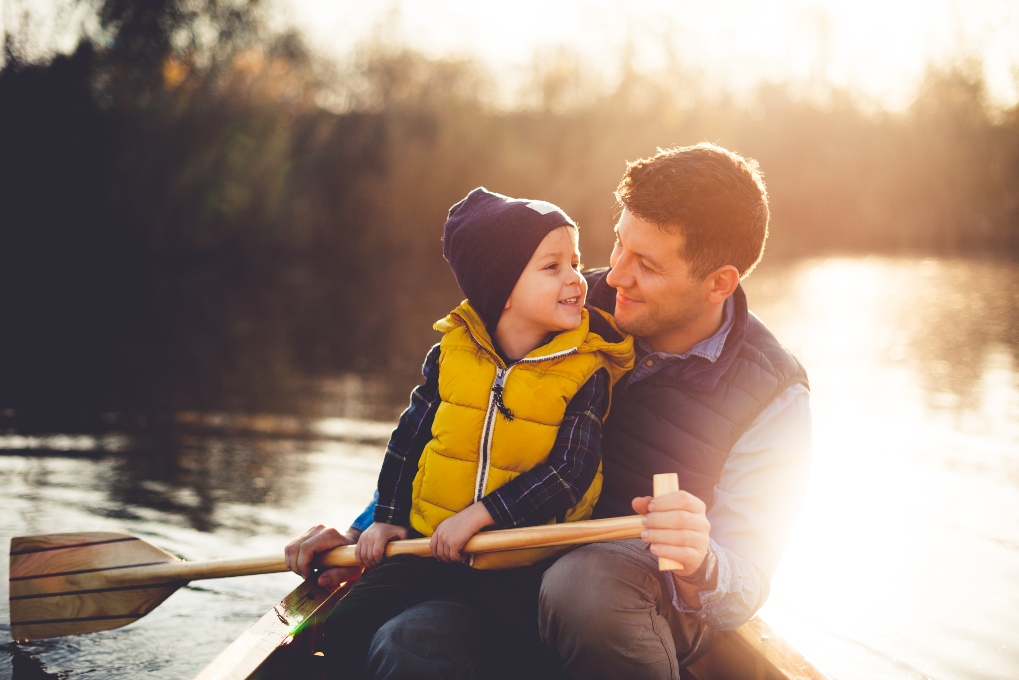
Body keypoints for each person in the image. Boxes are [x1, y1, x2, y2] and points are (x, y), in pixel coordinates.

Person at [286, 143, 812, 680]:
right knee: (405, 643)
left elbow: (746, 582)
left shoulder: (774, 395)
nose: (615, 276)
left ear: (719, 282)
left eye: (647, 265)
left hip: (628, 608)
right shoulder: (560, 302)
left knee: (583, 586)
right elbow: (458, 430)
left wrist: (704, 560)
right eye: (619, 244)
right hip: (498, 584)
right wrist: (363, 534)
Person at [295, 187, 634, 677]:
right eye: (552, 267)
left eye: (575, 263)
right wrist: (387, 517)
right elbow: (409, 439)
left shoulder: (586, 370)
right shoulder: (450, 355)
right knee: (345, 625)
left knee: (489, 649)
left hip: (524, 568)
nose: (577, 280)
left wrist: (483, 515)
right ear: (502, 289)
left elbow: (571, 472)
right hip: (432, 551)